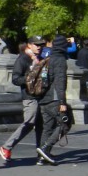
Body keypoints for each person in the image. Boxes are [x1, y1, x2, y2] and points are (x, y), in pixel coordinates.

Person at [0, 36, 46, 163]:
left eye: (41, 45)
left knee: (41, 125)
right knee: (29, 123)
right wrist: (29, 79)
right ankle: (6, 147)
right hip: (29, 97)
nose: (39, 47)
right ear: (29, 45)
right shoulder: (23, 59)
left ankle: (42, 151)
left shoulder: (40, 59)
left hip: (40, 96)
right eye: (37, 45)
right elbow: (15, 79)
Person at [36, 35, 71, 166]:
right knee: (66, 124)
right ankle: (45, 148)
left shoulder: (48, 58)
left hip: (43, 98)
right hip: (54, 98)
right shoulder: (60, 60)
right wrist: (62, 102)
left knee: (47, 127)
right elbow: (60, 82)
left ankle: (42, 157)